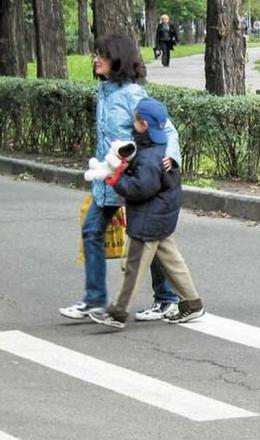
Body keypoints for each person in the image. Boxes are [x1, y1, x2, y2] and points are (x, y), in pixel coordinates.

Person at [59, 34, 183, 322]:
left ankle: (167, 299)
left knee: (148, 238)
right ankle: (94, 300)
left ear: (118, 59)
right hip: (109, 180)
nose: (95, 59)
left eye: (101, 54)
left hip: (136, 182)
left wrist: (172, 157)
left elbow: (168, 129)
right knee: (92, 230)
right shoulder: (104, 92)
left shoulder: (133, 95)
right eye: (96, 54)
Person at [90, 98, 205, 329]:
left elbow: (139, 189)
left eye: (135, 119)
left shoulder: (150, 158)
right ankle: (193, 304)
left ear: (143, 124)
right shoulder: (160, 151)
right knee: (173, 262)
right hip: (161, 218)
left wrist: (116, 179)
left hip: (146, 222)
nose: (132, 123)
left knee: (133, 267)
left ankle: (117, 313)